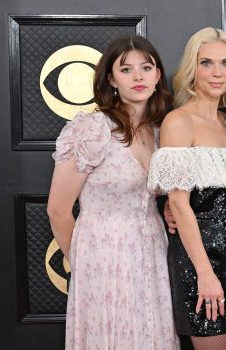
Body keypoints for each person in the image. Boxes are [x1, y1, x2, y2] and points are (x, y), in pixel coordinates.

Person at [47, 35, 179, 349]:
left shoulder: (161, 130)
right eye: (126, 70)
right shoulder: (93, 129)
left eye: (146, 68)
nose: (138, 77)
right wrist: (84, 260)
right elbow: (58, 209)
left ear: (158, 75)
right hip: (102, 254)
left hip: (151, 250)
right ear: (111, 79)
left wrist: (168, 207)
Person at [147, 27, 226, 350]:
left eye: (225, 63)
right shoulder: (178, 121)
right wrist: (205, 274)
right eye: (206, 63)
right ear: (193, 69)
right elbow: (179, 204)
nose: (217, 72)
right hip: (200, 263)